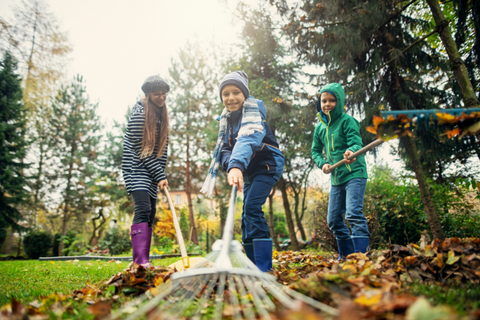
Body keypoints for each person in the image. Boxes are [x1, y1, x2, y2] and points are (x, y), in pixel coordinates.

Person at [201, 71, 284, 272]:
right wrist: (232, 165)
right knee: (246, 213)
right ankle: (252, 264)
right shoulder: (227, 120)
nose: (231, 98)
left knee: (252, 208)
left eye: (236, 92)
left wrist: (236, 164)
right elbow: (225, 150)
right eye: (226, 94)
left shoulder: (254, 112)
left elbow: (249, 138)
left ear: (245, 94)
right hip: (248, 170)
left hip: (267, 165)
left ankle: (264, 268)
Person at [311, 83, 370, 259]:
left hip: (354, 173)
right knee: (334, 220)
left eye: (332, 100)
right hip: (336, 178)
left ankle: (361, 257)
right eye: (324, 101)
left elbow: (356, 142)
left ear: (340, 102)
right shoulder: (320, 128)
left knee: (353, 213)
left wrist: (351, 151)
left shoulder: (347, 121)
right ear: (319, 103)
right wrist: (322, 163)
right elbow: (315, 150)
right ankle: (347, 256)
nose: (327, 104)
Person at [122, 75, 170, 268]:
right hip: (136, 167)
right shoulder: (140, 113)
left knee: (150, 213)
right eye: (157, 94)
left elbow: (160, 149)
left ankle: (145, 260)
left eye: (164, 94)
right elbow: (143, 149)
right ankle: (139, 262)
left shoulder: (160, 114)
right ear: (148, 95)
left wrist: (159, 173)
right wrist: (160, 174)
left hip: (150, 170)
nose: (161, 97)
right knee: (143, 210)